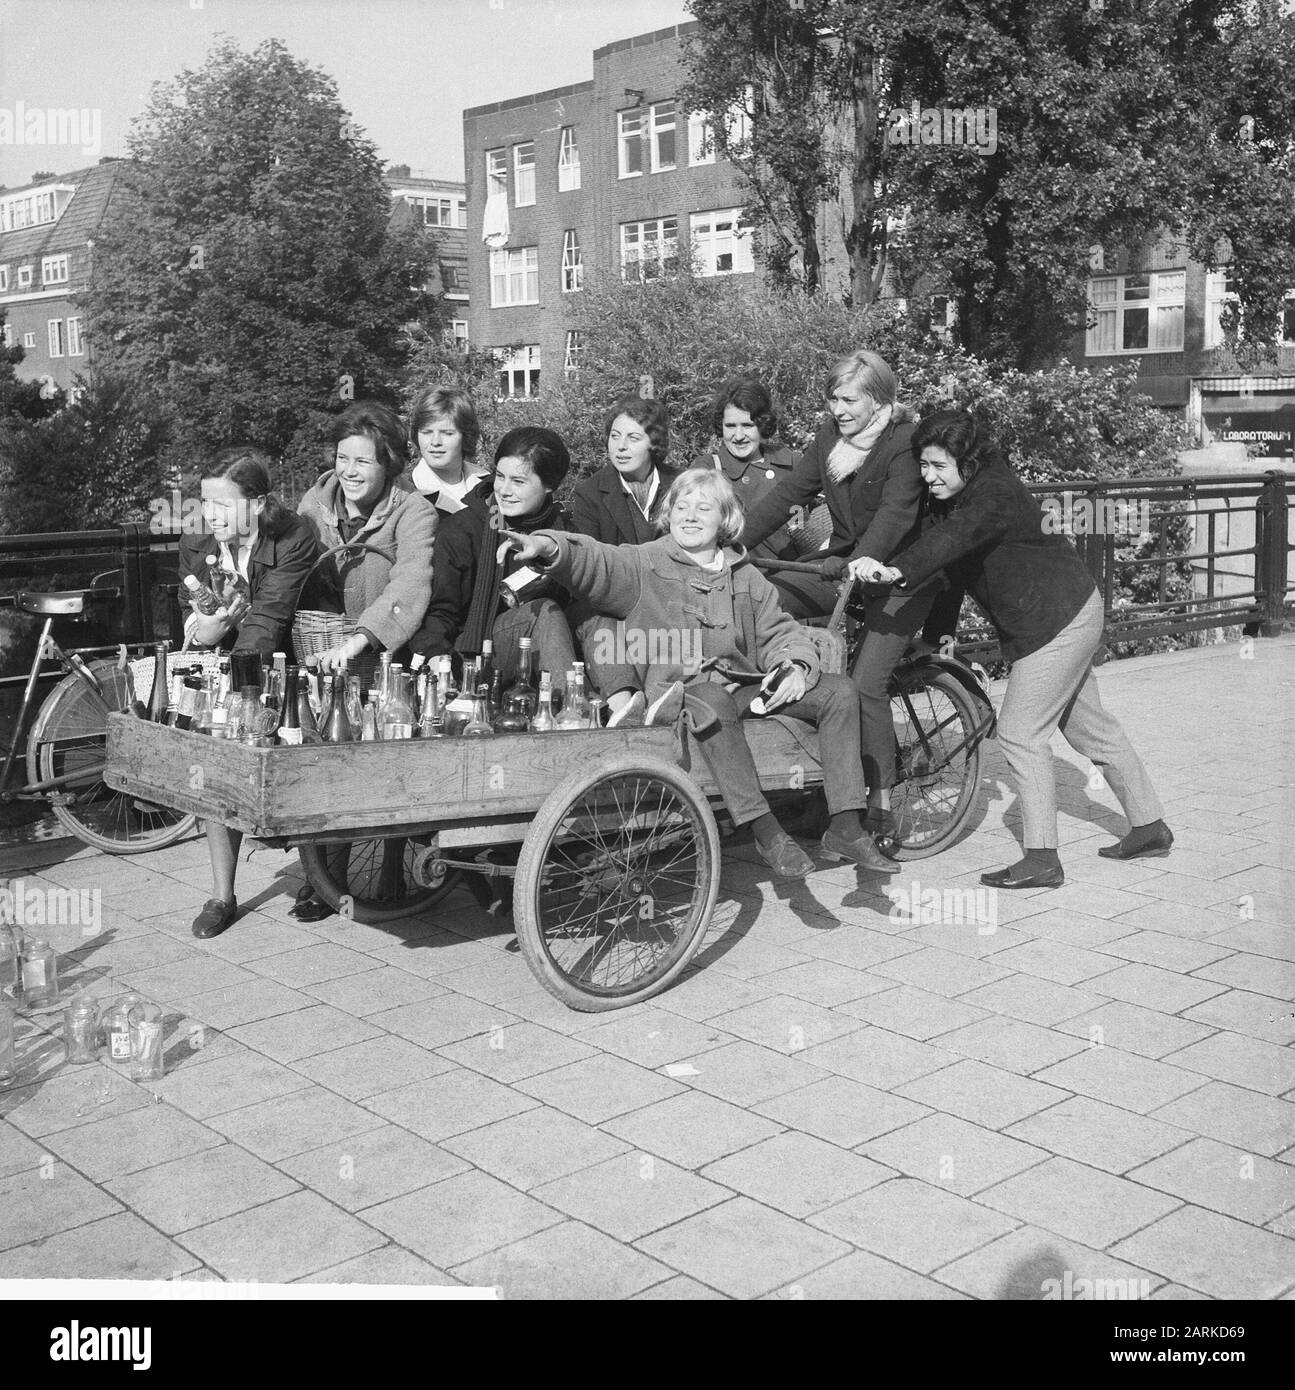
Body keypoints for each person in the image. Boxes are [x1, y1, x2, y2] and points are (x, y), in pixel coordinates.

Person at [501, 468, 891, 877]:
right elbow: (593, 558)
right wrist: (547, 544)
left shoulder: (745, 576)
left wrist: (792, 665)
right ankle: (765, 829)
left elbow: (781, 632)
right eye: (681, 506)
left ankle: (846, 826)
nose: (689, 516)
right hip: (683, 696)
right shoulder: (643, 563)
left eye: (703, 508)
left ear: (724, 519)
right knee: (713, 696)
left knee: (840, 691)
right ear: (668, 514)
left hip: (745, 690)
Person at [854, 409, 1172, 889]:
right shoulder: (958, 496)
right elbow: (952, 571)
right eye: (923, 465)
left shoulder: (995, 494)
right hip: (1067, 612)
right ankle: (1150, 827)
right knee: (1091, 730)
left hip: (1058, 622)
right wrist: (934, 636)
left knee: (1022, 734)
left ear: (967, 460)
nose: (928, 477)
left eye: (939, 466)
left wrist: (897, 570)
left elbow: (951, 542)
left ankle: (1042, 858)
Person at [741, 349, 938, 845]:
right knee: (769, 600)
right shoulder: (831, 437)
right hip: (847, 561)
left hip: (900, 573)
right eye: (833, 399)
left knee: (868, 683)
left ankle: (879, 803)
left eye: (849, 399)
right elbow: (788, 495)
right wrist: (734, 540)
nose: (839, 410)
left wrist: (865, 561)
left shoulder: (904, 442)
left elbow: (896, 515)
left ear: (879, 400)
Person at [187, 449, 321, 940]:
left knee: (304, 770)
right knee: (219, 767)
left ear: (259, 502)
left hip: (294, 665)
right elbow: (192, 626)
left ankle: (322, 878)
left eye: (223, 505)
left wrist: (237, 683)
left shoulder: (294, 536)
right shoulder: (197, 545)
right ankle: (223, 895)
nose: (210, 515)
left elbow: (270, 616)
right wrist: (206, 629)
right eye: (205, 502)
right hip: (230, 667)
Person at [408, 426, 576, 681]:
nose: (504, 490)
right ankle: (574, 710)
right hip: (475, 652)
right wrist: (435, 656)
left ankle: (620, 706)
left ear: (549, 486)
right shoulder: (464, 529)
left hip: (548, 643)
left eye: (518, 481)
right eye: (500, 476)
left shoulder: (564, 532)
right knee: (544, 610)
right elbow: (439, 610)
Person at [296, 401, 438, 674]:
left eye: (362, 462)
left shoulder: (414, 510)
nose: (349, 471)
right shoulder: (313, 503)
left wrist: (359, 639)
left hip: (381, 662)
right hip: (315, 653)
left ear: (388, 463)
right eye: (342, 458)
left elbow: (411, 582)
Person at [567, 395, 678, 721]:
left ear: (654, 444)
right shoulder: (590, 493)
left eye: (633, 438)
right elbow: (586, 563)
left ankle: (664, 701)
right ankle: (622, 706)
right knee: (595, 617)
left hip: (666, 597)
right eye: (615, 436)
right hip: (611, 602)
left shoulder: (680, 485)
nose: (621, 447)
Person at [693, 376, 831, 618]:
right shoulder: (708, 469)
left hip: (799, 586)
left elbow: (812, 518)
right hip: (740, 590)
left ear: (763, 425)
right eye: (730, 426)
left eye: (747, 426)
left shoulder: (791, 462)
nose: (738, 436)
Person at [407, 385, 488, 517]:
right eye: (426, 432)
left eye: (447, 433)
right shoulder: (407, 491)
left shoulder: (489, 484)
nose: (435, 442)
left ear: (466, 436)